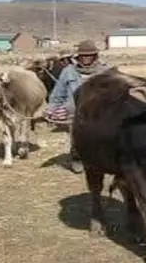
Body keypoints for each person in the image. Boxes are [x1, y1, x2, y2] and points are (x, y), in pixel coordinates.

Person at [46, 40, 110, 173]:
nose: (86, 58)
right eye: (83, 55)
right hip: (75, 112)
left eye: (89, 55)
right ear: (78, 56)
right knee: (77, 139)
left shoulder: (106, 71)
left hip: (99, 113)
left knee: (100, 138)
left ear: (95, 56)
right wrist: (51, 108)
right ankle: (77, 158)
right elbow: (58, 93)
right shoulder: (68, 72)